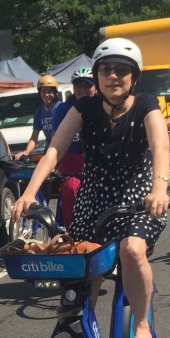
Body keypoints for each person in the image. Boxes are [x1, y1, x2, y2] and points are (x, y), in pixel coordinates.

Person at [11, 37, 170, 338]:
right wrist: (29, 192)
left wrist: (160, 188)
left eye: (122, 70)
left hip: (137, 196)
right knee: (83, 265)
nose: (114, 76)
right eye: (107, 69)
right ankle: (81, 333)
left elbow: (160, 147)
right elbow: (55, 150)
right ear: (97, 76)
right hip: (93, 197)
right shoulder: (82, 108)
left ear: (134, 78)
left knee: (132, 250)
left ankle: (141, 325)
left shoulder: (145, 104)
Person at [50, 66, 96, 228]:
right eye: (78, 86)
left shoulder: (103, 106)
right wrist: (51, 165)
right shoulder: (63, 109)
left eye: (87, 86)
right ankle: (73, 232)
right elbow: (56, 139)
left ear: (95, 87)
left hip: (97, 161)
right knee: (70, 190)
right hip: (70, 162)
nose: (82, 90)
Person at [15, 74, 62, 160]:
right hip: (49, 150)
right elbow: (34, 137)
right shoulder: (39, 112)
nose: (47, 95)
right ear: (40, 93)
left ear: (55, 93)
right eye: (43, 91)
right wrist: (26, 152)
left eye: (50, 91)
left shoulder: (61, 108)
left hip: (63, 149)